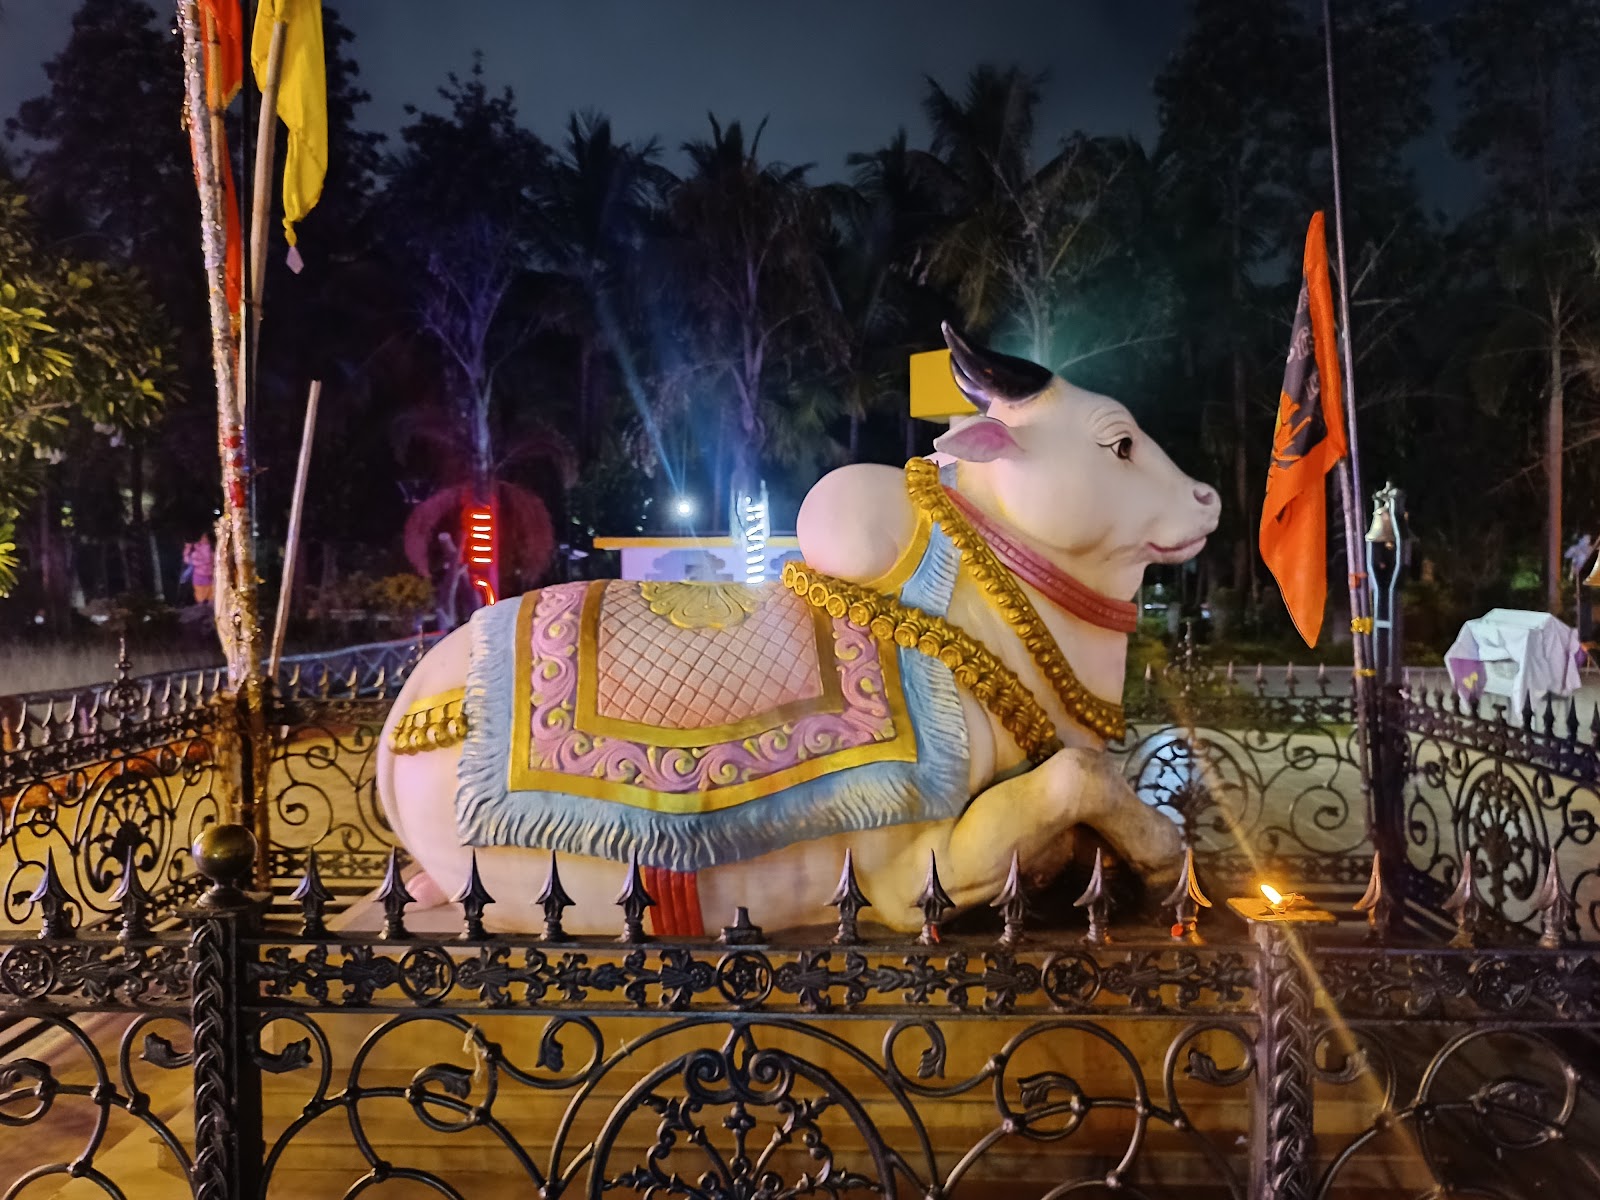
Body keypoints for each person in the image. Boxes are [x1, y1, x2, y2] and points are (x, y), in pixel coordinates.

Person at [180, 533, 214, 605]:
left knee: (210, 596)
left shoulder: (208, 548)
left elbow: (207, 560)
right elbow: (187, 560)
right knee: (200, 596)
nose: (203, 539)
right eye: (202, 537)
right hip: (199, 576)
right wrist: (188, 549)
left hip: (208, 576)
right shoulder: (196, 548)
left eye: (205, 537)